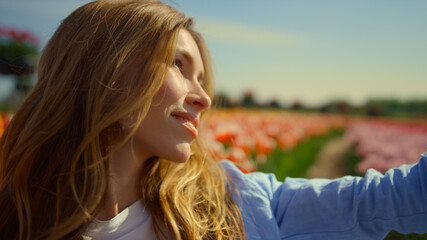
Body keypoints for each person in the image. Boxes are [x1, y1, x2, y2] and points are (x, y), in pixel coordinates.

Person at [0, 0, 426, 240]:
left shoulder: (237, 204)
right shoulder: (16, 217)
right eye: (179, 66)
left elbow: (390, 199)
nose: (203, 98)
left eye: (202, 77)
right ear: (102, 69)